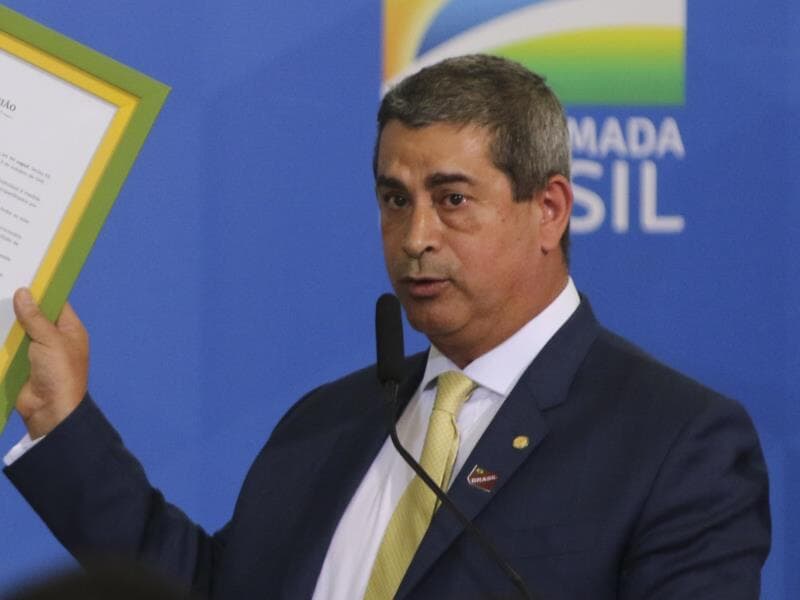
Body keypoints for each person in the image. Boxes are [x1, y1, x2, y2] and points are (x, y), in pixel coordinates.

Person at [3, 55, 770, 599]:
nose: (415, 237)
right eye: (396, 200)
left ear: (549, 210)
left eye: (453, 199)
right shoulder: (329, 422)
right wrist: (61, 420)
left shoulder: (676, 443)